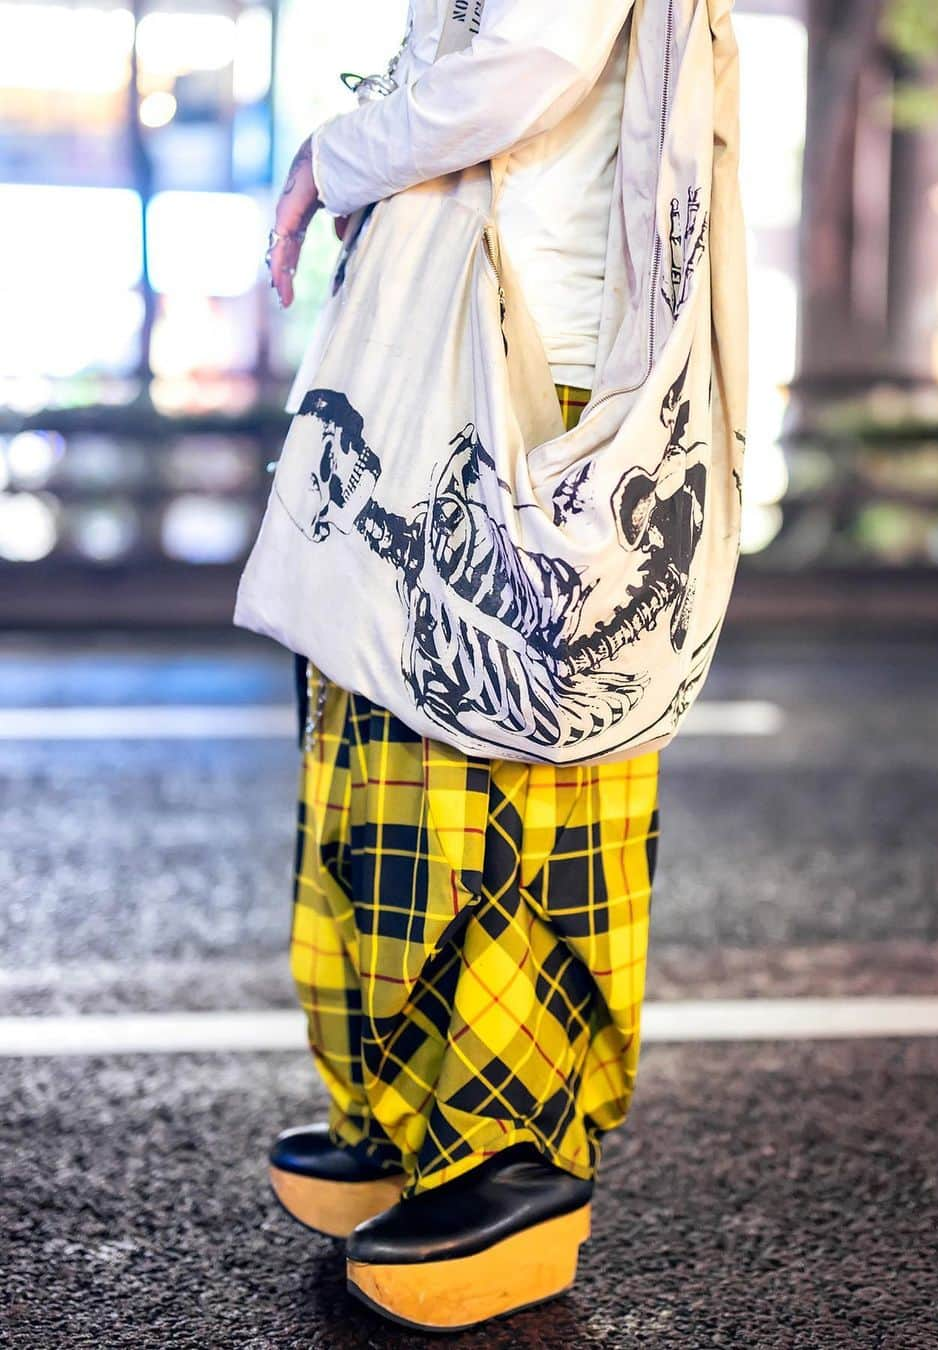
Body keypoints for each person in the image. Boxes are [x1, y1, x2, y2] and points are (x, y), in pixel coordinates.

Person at [259, 0, 739, 1331]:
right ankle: (416, 1115)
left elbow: (532, 55)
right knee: (395, 731)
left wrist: (335, 155)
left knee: (481, 756)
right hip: (471, 347)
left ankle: (508, 1144)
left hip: (531, 377)